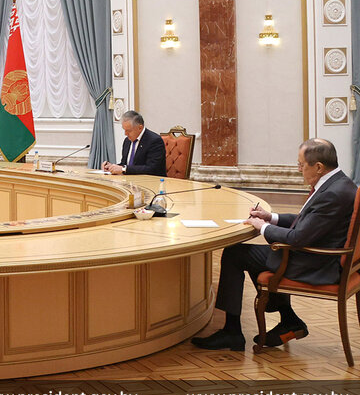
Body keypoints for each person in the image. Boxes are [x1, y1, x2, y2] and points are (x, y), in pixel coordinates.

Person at [192, 138, 356, 352]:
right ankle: (289, 320)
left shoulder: (333, 193)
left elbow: (298, 238)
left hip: (316, 263)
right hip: (319, 256)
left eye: (301, 165)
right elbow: (308, 222)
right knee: (253, 255)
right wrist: (271, 217)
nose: (299, 170)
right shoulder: (339, 183)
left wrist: (262, 227)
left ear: (318, 167)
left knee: (235, 254)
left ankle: (232, 332)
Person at [102, 110, 166, 176]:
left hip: (151, 180)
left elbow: (152, 168)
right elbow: (125, 164)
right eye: (124, 130)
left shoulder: (154, 141)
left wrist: (124, 169)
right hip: (129, 180)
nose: (125, 134)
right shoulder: (127, 141)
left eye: (128, 131)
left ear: (140, 128)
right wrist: (112, 167)